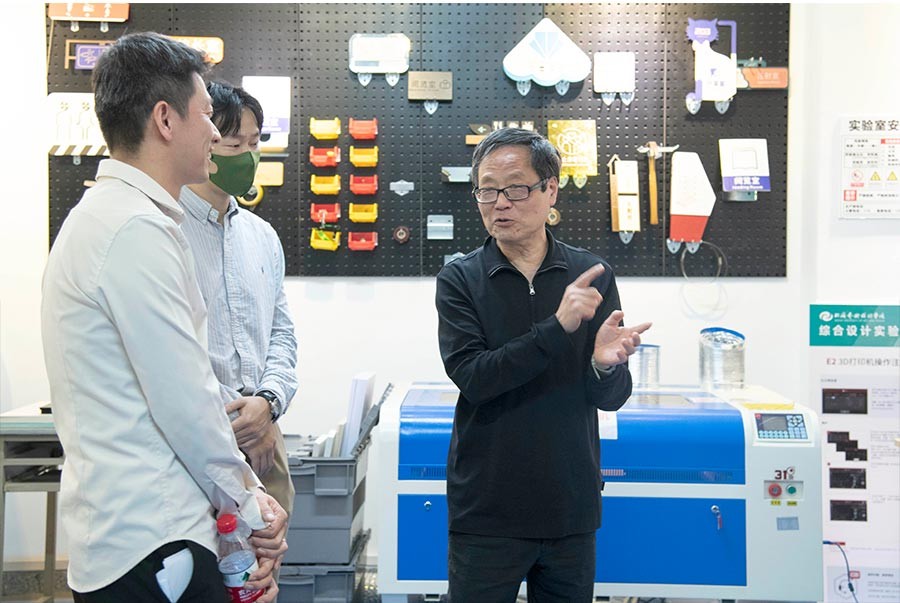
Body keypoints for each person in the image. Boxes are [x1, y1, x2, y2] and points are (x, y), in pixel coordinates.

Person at [41, 32, 287, 603]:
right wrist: (251, 502)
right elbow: (185, 400)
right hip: (152, 542)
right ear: (165, 119)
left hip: (145, 535)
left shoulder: (116, 217)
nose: (213, 133)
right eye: (204, 115)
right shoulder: (134, 229)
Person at [435, 128, 651, 602]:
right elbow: (475, 378)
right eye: (487, 190)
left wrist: (605, 367)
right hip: (487, 508)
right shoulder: (460, 279)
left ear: (550, 189)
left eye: (516, 188)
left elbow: (610, 399)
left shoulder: (590, 276)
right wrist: (558, 327)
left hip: (569, 506)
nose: (500, 203)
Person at [179, 81, 297, 532]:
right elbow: (172, 351)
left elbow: (281, 334)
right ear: (204, 142)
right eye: (234, 145)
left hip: (267, 436)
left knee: (267, 560)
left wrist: (267, 404)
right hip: (200, 440)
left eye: (255, 143)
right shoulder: (166, 231)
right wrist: (241, 420)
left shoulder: (261, 236)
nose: (248, 156)